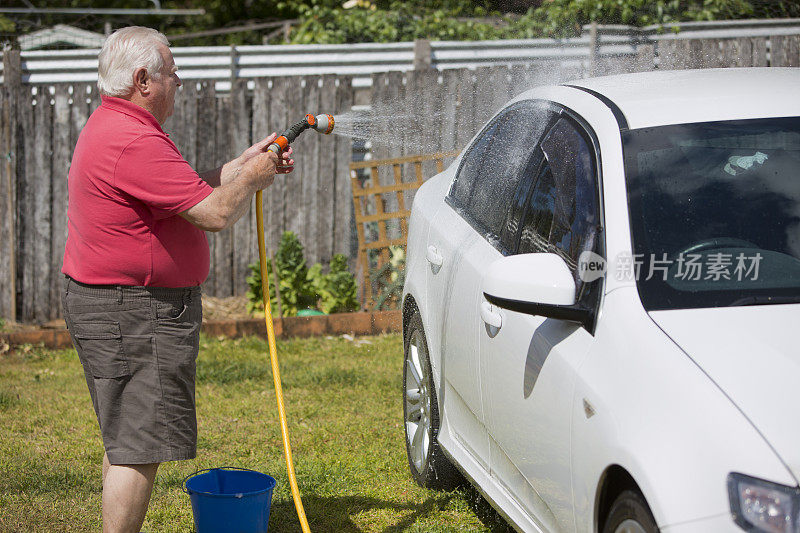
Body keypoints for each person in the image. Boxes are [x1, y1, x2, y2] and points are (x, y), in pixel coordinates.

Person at [60, 26, 293, 533]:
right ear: (144, 80)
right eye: (172, 73)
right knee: (140, 446)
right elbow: (211, 212)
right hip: (133, 311)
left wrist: (245, 164)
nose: (179, 82)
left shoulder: (115, 125)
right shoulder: (132, 138)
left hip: (120, 306)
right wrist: (255, 177)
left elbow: (186, 190)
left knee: (128, 439)